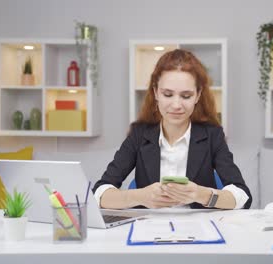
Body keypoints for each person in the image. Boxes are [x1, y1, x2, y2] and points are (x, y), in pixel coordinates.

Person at [92, 49, 252, 209]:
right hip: (148, 229)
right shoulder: (139, 134)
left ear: (197, 95)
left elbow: (242, 196)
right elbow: (100, 193)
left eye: (186, 96)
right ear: (156, 92)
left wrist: (201, 195)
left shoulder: (212, 135)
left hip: (198, 229)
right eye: (168, 94)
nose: (176, 105)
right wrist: (141, 196)